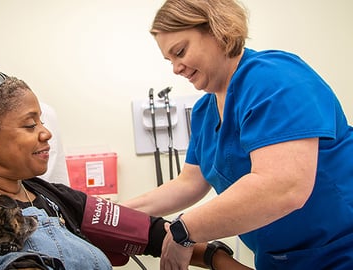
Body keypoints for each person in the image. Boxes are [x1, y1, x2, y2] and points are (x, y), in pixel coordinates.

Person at [0, 70, 251, 270]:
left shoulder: (54, 197)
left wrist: (218, 257)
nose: (46, 132)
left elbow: (152, 232)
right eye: (29, 124)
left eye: (41, 119)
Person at [122, 0, 353, 269]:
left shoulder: (274, 78)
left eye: (180, 52)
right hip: (278, 260)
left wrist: (183, 231)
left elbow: (283, 186)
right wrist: (112, 214)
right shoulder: (204, 112)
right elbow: (189, 184)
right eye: (169, 60)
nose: (175, 68)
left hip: (341, 251)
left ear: (218, 31)